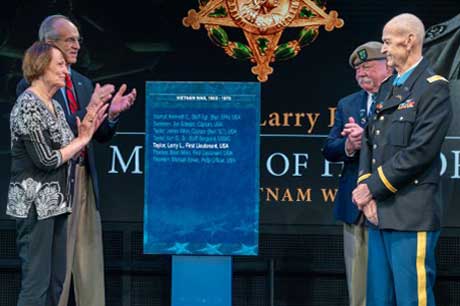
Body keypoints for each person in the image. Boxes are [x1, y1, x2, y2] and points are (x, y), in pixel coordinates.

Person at [16, 15, 137, 306]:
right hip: (51, 183)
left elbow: (96, 133)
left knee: (88, 267)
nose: (77, 45)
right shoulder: (32, 86)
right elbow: (51, 134)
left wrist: (110, 115)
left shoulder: (82, 82)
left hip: (83, 180)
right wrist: (90, 109)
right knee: (49, 275)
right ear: (48, 44)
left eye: (78, 39)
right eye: (70, 39)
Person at [352, 13, 452, 306]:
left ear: (409, 41)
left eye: (386, 41)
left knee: (412, 299)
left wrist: (373, 188)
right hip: (377, 212)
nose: (383, 49)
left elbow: (420, 152)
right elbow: (370, 142)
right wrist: (366, 192)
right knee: (378, 298)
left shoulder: (434, 88)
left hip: (411, 212)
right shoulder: (387, 87)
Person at [7, 41, 109, 306]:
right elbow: (47, 159)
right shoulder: (28, 105)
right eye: (60, 65)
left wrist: (88, 122)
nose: (67, 71)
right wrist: (82, 140)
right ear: (41, 67)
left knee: (57, 282)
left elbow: (70, 146)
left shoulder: (56, 106)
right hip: (34, 207)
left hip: (57, 204)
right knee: (36, 284)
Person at [323, 41, 391, 306]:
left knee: (389, 278)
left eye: (367, 67)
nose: (361, 73)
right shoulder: (347, 104)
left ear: (387, 67)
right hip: (354, 207)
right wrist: (349, 147)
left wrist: (369, 139)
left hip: (390, 201)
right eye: (357, 69)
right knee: (358, 281)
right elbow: (329, 149)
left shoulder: (403, 98)